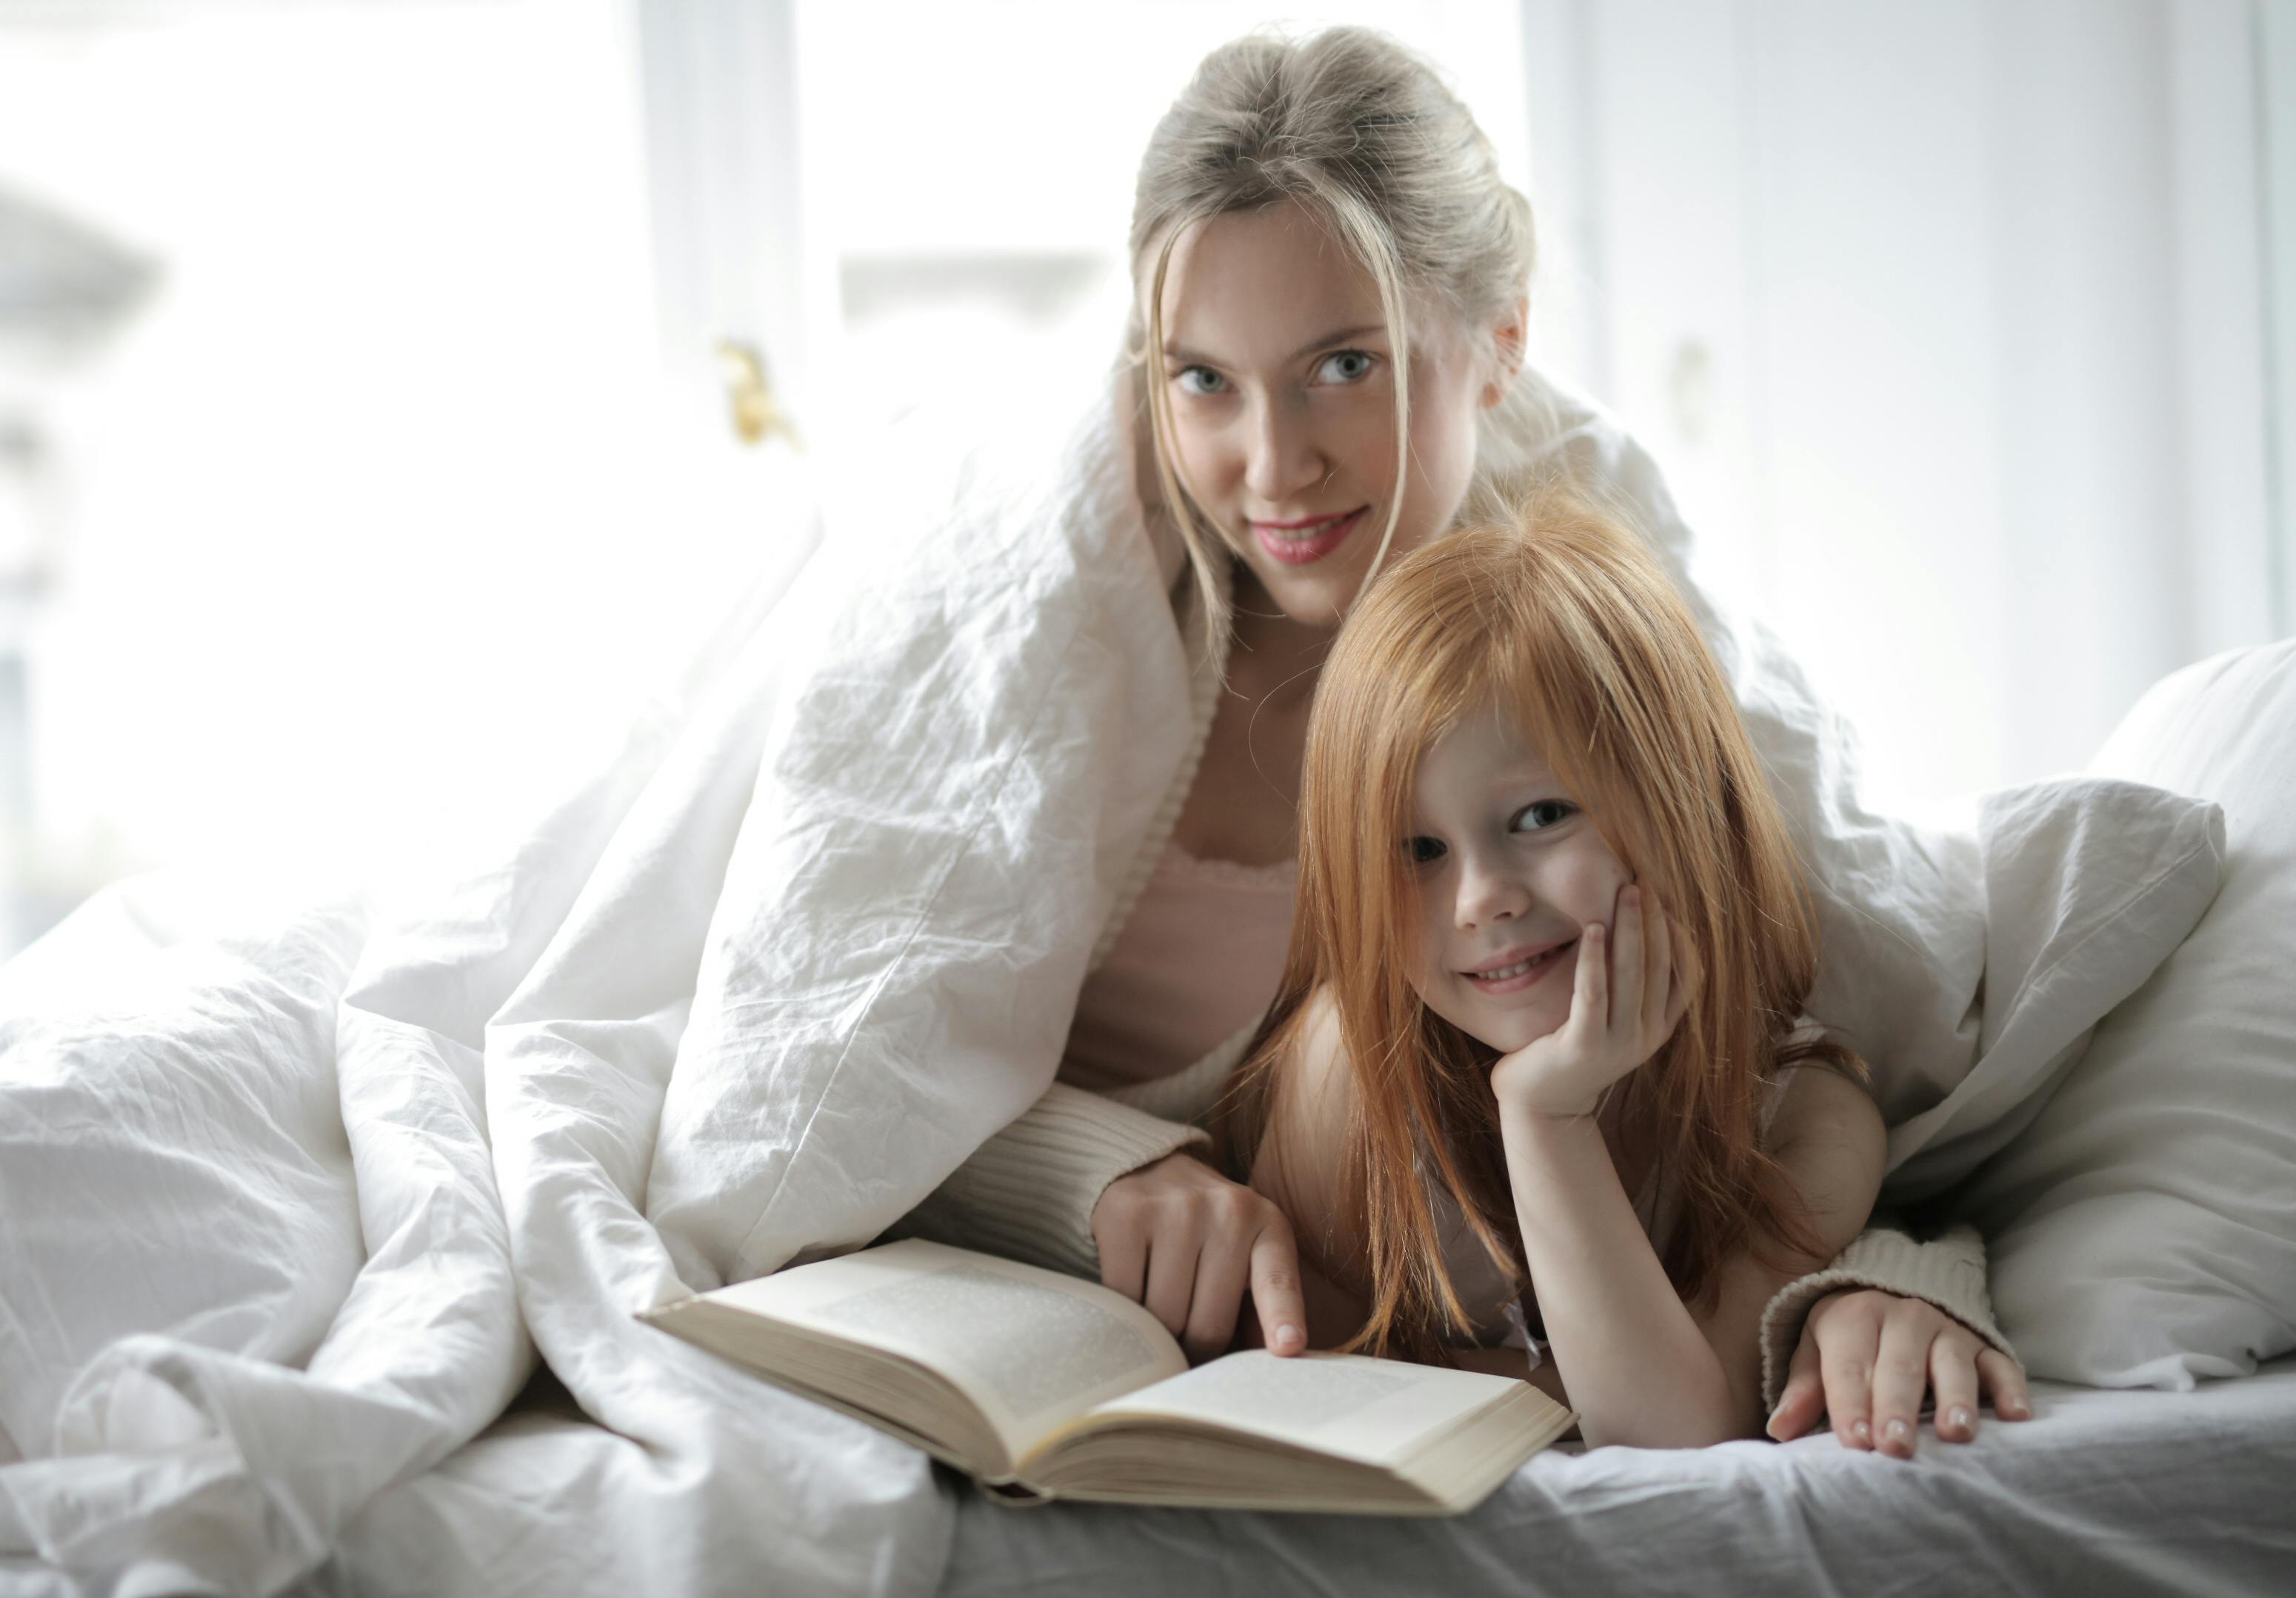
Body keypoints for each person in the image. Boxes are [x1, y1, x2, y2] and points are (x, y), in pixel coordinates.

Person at [900, 24, 2029, 1456]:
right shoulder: (1342, 1065)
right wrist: (1099, 1174)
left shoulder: (1560, 647)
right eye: (1202, 380)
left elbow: (1869, 1061)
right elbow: (871, 1073)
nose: (1272, 463)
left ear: (1499, 344)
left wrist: (1893, 1269)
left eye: (1343, 364)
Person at [1214, 499, 2020, 1446]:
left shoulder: (1801, 1116)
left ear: (1685, 806)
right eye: (1418, 850)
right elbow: (1307, 1389)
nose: (1480, 900)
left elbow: (1668, 1431)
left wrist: (1546, 1115)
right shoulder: (1346, 1073)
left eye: (1540, 817)